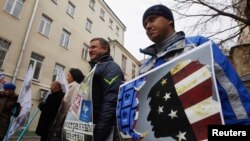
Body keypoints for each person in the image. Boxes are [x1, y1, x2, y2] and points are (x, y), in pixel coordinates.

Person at [140, 4, 250, 127]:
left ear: (169, 20)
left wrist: (238, 127)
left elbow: (228, 88)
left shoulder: (197, 44)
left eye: (152, 19)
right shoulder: (145, 67)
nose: (148, 26)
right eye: (145, 25)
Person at [88, 38, 124, 141]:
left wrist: (98, 133)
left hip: (101, 130)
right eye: (89, 47)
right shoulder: (95, 68)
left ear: (105, 49)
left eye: (94, 47)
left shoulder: (111, 67)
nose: (90, 50)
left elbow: (111, 101)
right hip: (91, 126)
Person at [49, 68, 84, 140]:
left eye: (69, 76)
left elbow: (69, 106)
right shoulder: (76, 87)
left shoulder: (74, 86)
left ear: (74, 77)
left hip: (65, 122)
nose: (67, 78)